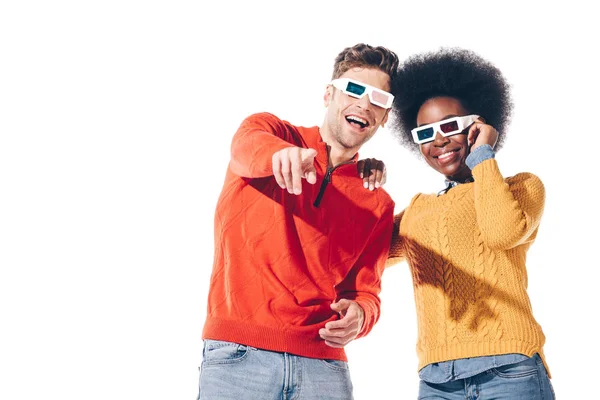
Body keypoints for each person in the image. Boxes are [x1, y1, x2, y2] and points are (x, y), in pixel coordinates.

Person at [197, 43, 399, 400]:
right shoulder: (271, 133)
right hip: (239, 356)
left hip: (324, 368)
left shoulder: (378, 202)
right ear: (328, 94)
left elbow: (366, 291)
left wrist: (361, 316)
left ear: (385, 116)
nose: (364, 104)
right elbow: (246, 146)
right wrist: (280, 155)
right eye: (354, 89)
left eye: (378, 99)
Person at [384, 48, 555, 399]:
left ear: (478, 126)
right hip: (437, 380)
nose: (439, 141)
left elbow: (500, 232)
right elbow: (358, 251)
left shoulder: (521, 187)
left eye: (449, 126)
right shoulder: (418, 210)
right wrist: (356, 178)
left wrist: (482, 157)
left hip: (510, 371)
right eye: (425, 134)